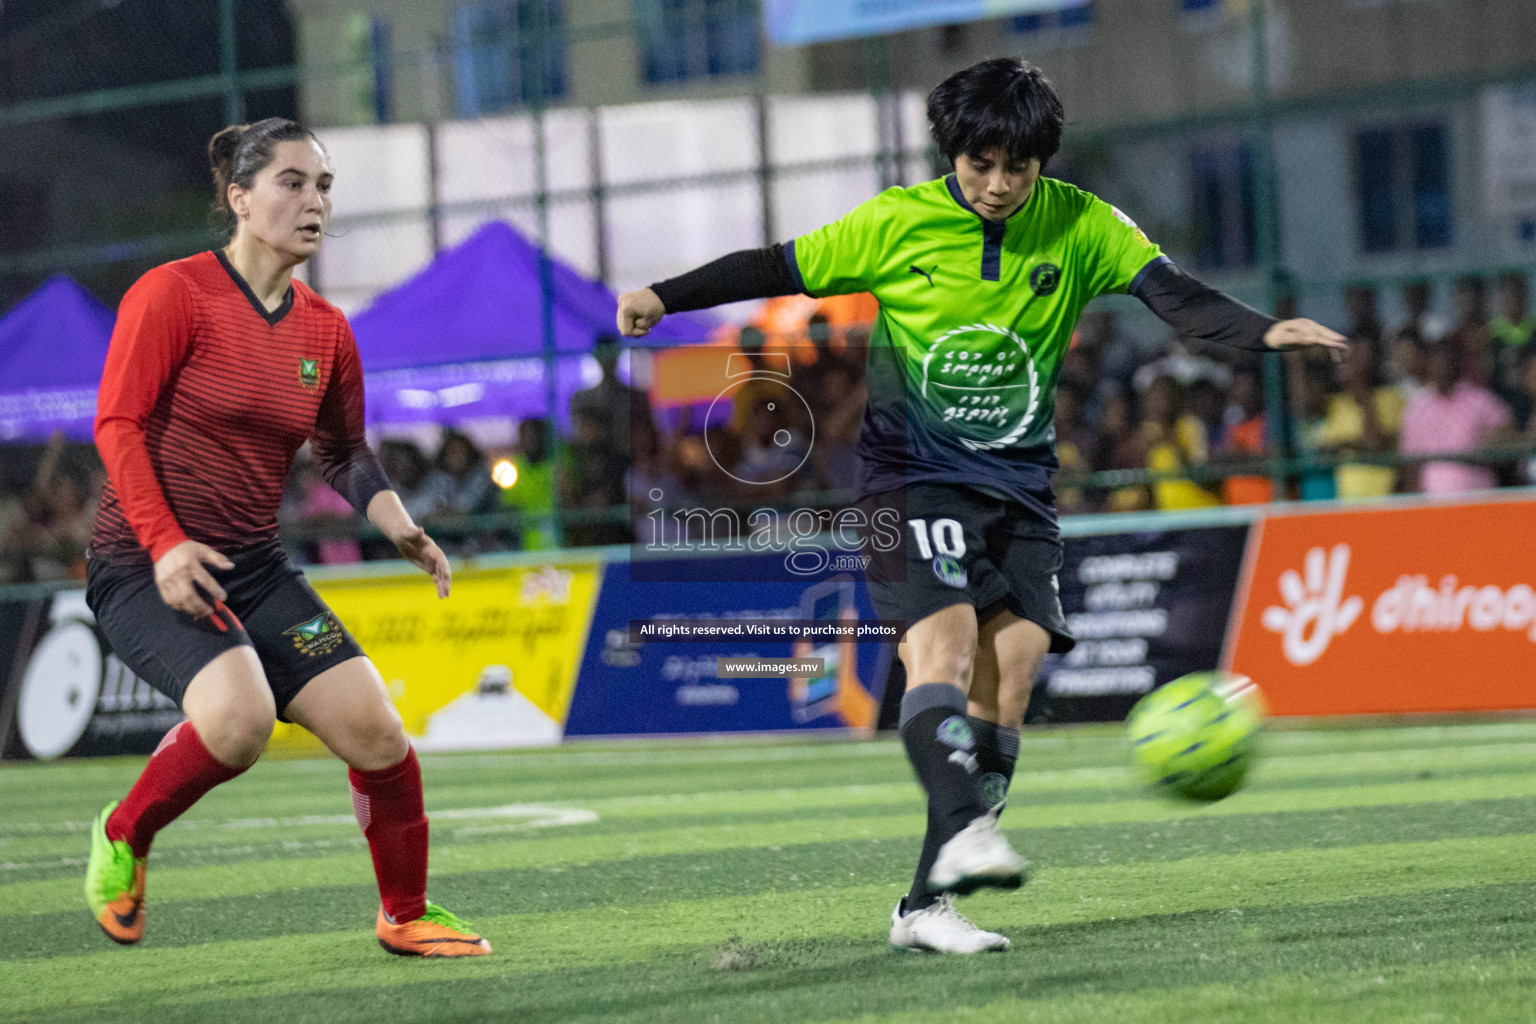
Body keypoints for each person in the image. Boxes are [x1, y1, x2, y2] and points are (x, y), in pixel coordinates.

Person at [615, 58, 1344, 953]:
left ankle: (925, 907)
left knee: (1016, 669)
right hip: (911, 473)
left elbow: (1173, 298)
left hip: (1020, 485)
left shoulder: (1082, 224)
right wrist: (663, 294)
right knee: (947, 649)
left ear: (1042, 163)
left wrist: (1265, 329)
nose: (997, 186)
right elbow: (777, 264)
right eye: (979, 165)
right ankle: (970, 828)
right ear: (952, 154)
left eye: (1017, 168)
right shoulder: (896, 222)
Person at [82, 118, 489, 956]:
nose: (315, 201)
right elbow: (116, 425)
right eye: (293, 182)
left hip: (256, 569)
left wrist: (403, 529)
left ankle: (405, 913)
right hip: (142, 564)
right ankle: (123, 835)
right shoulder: (172, 293)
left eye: (325, 185)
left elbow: (343, 454)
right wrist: (162, 545)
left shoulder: (326, 330)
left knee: (380, 735)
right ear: (239, 197)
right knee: (239, 724)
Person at [1400, 342, 1513, 495]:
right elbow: (1411, 464)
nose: (1441, 367)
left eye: (1446, 360)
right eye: (1436, 362)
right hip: (1433, 500)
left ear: (1456, 363)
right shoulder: (1417, 408)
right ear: (1428, 365)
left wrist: (1492, 439)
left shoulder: (1478, 398)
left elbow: (1508, 429)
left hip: (1479, 495)